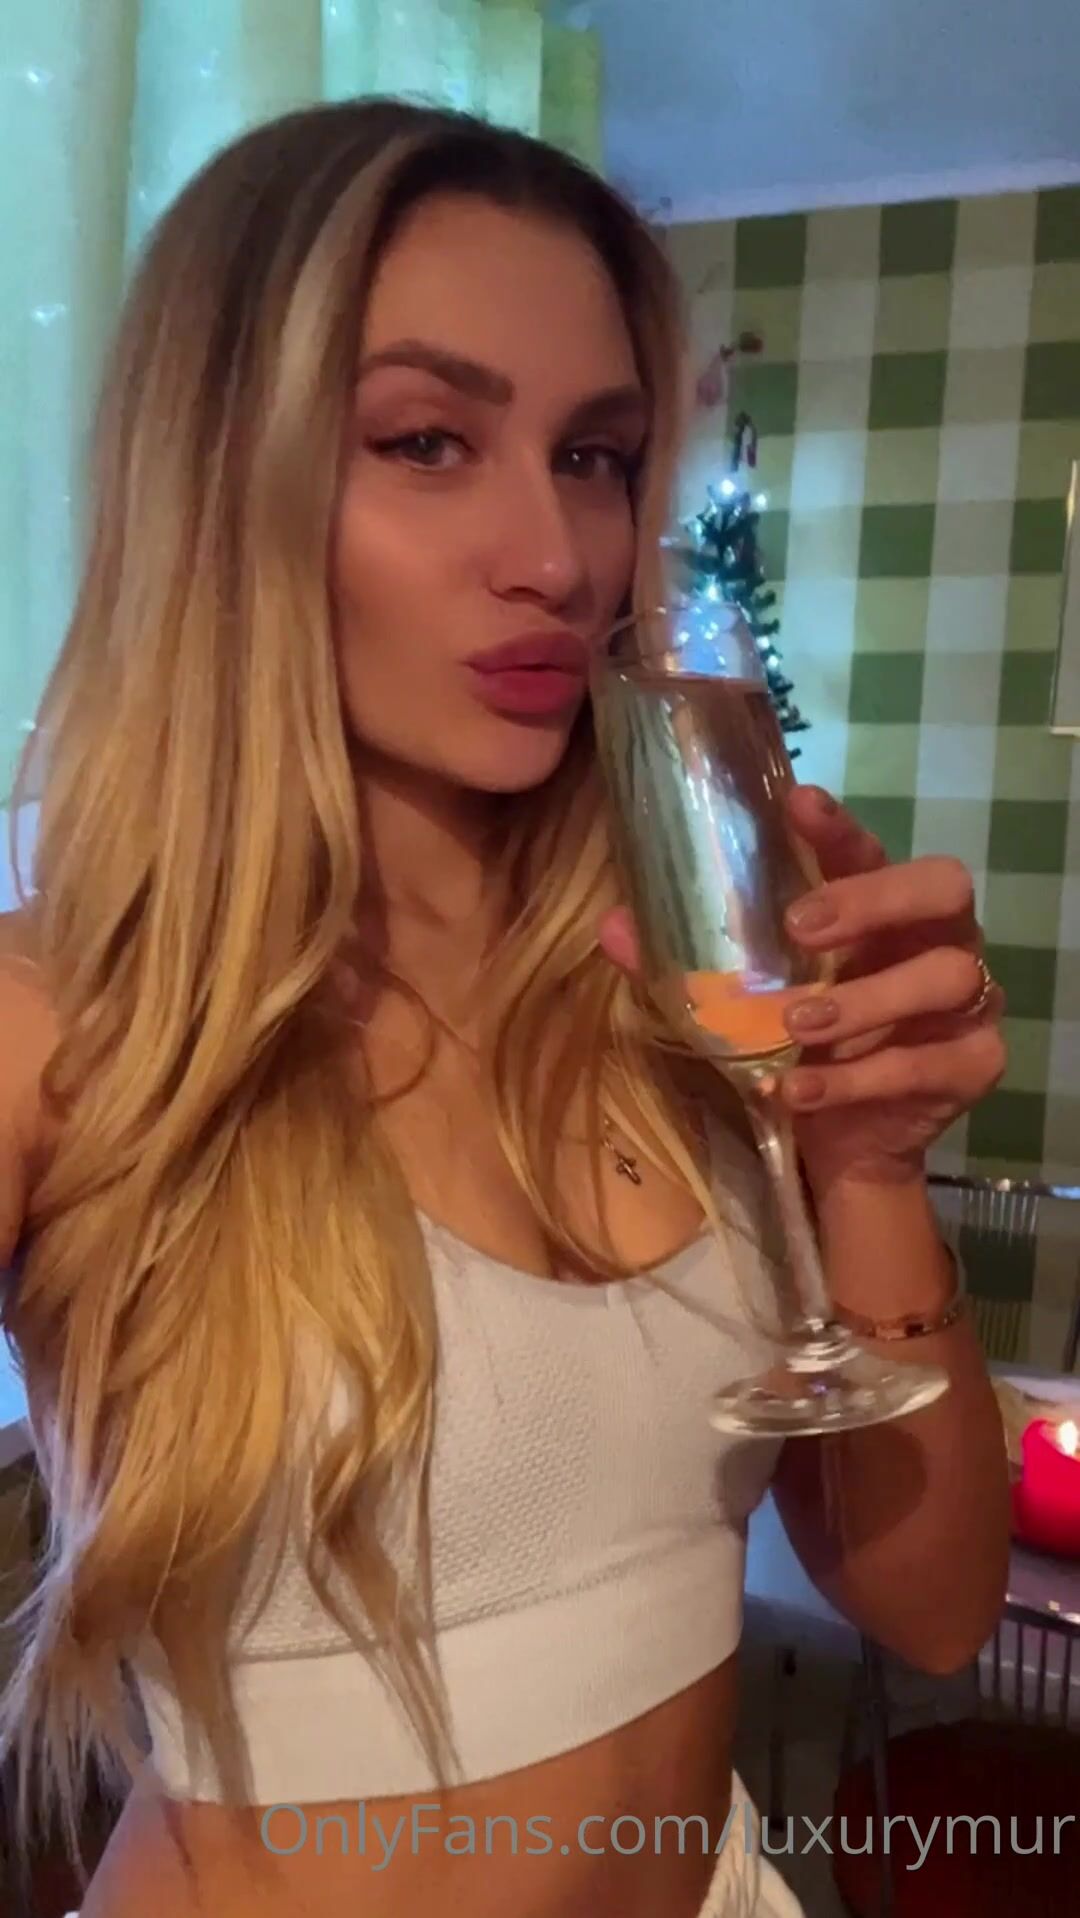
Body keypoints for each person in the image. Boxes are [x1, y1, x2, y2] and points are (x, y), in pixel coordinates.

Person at [0, 99, 1010, 1918]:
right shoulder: (66, 1023)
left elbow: (933, 1606)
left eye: (596, 455)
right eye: (427, 441)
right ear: (224, 483)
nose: (556, 551)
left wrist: (866, 1164)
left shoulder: (668, 992)